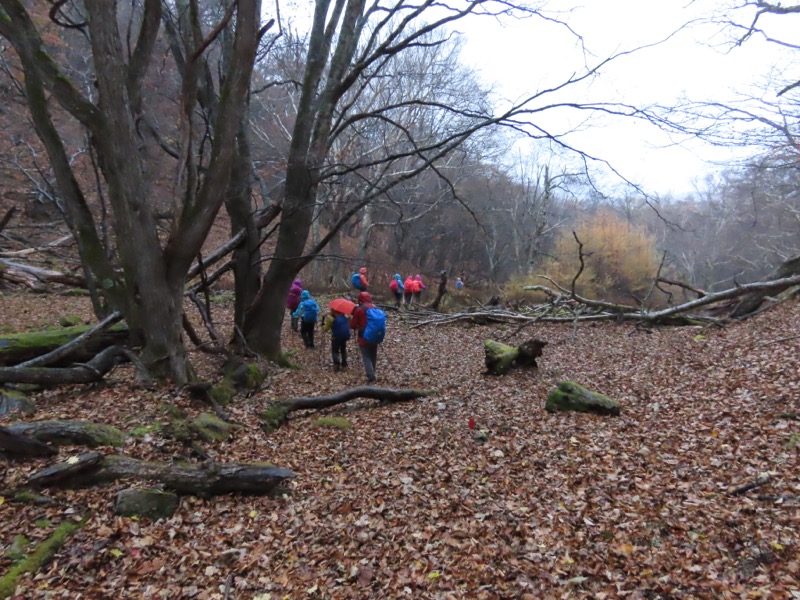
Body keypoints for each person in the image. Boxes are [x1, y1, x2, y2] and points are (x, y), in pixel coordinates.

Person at [350, 291, 382, 383]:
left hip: (363, 337)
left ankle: (371, 376)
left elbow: (353, 325)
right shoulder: (375, 307)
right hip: (375, 335)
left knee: (366, 356)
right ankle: (373, 372)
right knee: (373, 355)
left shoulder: (359, 310)